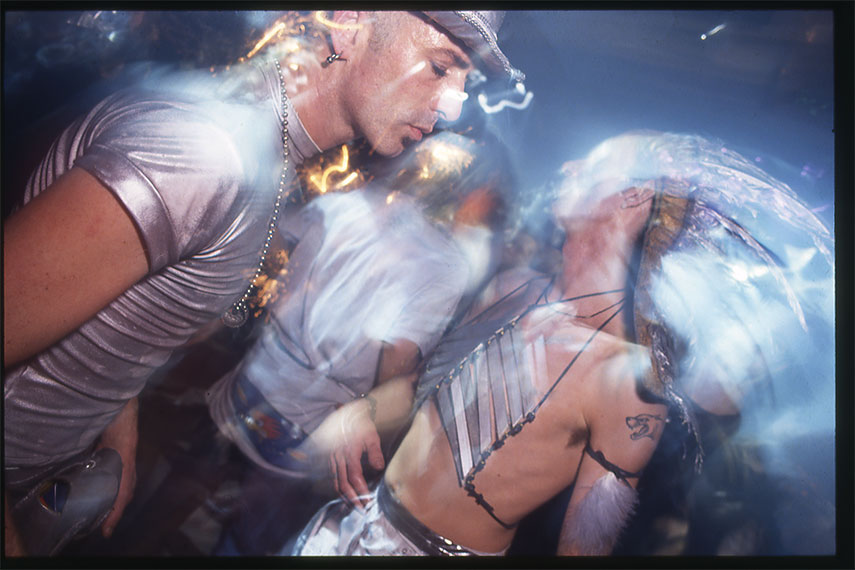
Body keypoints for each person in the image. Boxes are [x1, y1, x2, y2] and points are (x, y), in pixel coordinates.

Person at [3, 10, 524, 556]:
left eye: (464, 79)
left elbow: (120, 300)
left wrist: (118, 415)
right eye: (440, 66)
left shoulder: (265, 151)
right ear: (349, 22)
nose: (454, 106)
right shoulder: (209, 157)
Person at [289, 131, 834, 556]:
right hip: (350, 524)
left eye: (593, 164)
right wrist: (365, 410)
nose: (570, 167)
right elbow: (420, 393)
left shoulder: (627, 382)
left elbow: (582, 550)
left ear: (633, 197)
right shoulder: (512, 287)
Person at [206, 130, 515, 555]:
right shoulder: (444, 266)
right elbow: (394, 364)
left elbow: (274, 249)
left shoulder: (344, 202)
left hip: (251, 384)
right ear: (463, 190)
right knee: (252, 541)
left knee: (185, 490)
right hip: (307, 425)